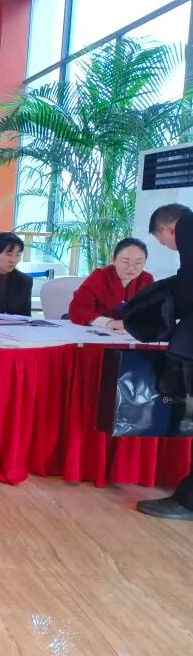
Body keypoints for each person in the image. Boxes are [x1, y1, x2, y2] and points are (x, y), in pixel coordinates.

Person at [140, 203, 193, 520]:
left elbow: (188, 284)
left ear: (167, 229)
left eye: (163, 242)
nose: (168, 246)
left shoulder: (187, 226)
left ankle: (188, 501)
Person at [68, 238, 154, 329]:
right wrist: (110, 323)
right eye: (125, 262)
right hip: (95, 329)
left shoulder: (146, 279)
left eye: (138, 263)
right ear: (113, 260)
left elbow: (153, 312)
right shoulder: (99, 276)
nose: (131, 268)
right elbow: (77, 310)